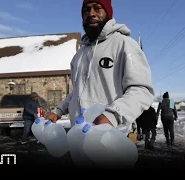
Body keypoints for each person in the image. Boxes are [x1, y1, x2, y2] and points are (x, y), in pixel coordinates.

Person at [46, 0, 154, 135]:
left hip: (110, 139)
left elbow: (141, 90)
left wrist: (112, 116)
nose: (91, 14)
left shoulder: (125, 45)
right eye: (86, 10)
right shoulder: (79, 55)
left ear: (108, 13)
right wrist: (58, 111)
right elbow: (77, 93)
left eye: (97, 8)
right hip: (79, 138)